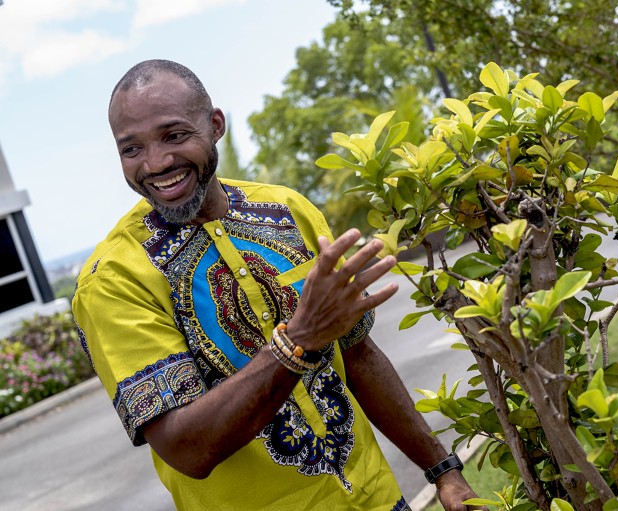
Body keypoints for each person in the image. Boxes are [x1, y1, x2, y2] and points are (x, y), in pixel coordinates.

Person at [72, 59, 485, 511]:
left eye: (174, 136)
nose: (156, 163)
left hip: (379, 499)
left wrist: (443, 471)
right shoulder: (112, 280)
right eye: (131, 149)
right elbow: (187, 448)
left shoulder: (289, 210)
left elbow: (358, 352)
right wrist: (298, 341)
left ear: (214, 126)